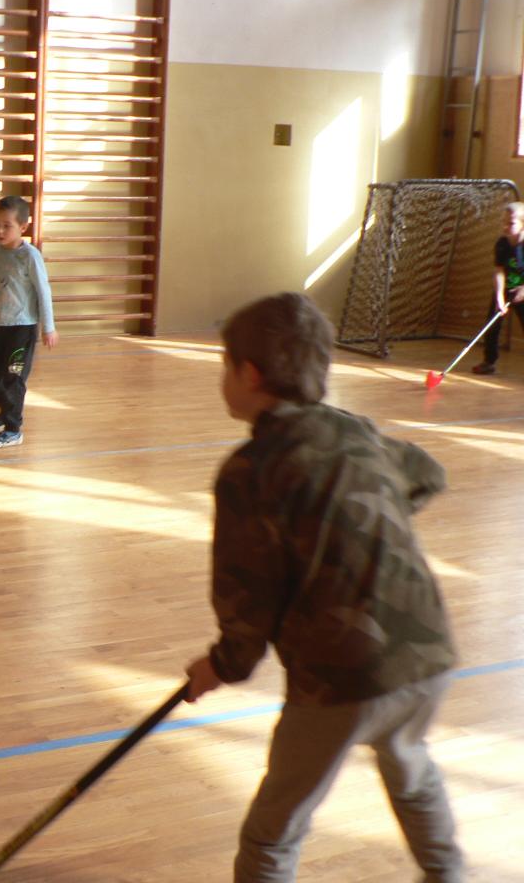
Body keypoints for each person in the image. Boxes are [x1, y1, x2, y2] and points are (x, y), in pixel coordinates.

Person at [184, 292, 463, 883]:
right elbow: (428, 474)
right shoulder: (355, 431)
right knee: (413, 776)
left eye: (224, 366)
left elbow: (246, 601)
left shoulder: (249, 472)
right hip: (427, 652)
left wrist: (223, 666)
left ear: (249, 374)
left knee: (272, 835)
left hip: (341, 678)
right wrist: (360, 525)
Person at [0, 195, 57, 448]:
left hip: (23, 327)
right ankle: (4, 411)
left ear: (23, 227)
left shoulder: (29, 256)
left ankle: (13, 429)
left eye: (6, 225)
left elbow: (43, 291)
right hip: (0, 324)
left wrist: (48, 327)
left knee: (13, 378)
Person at [471, 201, 524, 374]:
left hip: (523, 291)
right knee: (492, 325)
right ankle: (489, 362)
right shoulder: (502, 243)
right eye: (504, 222)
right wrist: (500, 297)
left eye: (511, 223)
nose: (505, 227)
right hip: (506, 289)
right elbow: (499, 271)